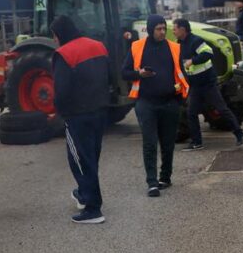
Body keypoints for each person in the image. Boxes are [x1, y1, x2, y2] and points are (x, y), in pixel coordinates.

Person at [51, 16, 111, 224]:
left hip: (77, 115)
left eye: (55, 36)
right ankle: (84, 194)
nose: (55, 40)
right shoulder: (98, 46)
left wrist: (58, 111)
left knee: (80, 160)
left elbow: (61, 90)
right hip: (101, 111)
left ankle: (93, 209)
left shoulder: (64, 54)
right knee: (91, 157)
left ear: (59, 35)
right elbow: (109, 76)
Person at [122, 15, 189, 198]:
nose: (162, 32)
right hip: (146, 103)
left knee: (168, 144)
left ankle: (165, 177)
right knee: (150, 143)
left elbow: (181, 73)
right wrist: (139, 73)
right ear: (151, 30)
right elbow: (124, 72)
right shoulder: (137, 47)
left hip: (170, 103)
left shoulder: (174, 48)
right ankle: (152, 183)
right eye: (158, 28)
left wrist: (180, 99)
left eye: (164, 28)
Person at [174, 18, 243, 151]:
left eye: (175, 28)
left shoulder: (196, 40)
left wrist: (192, 61)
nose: (173, 31)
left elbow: (208, 53)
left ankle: (239, 133)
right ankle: (197, 142)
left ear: (183, 29)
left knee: (221, 109)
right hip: (195, 84)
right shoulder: (180, 43)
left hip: (208, 83)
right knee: (191, 112)